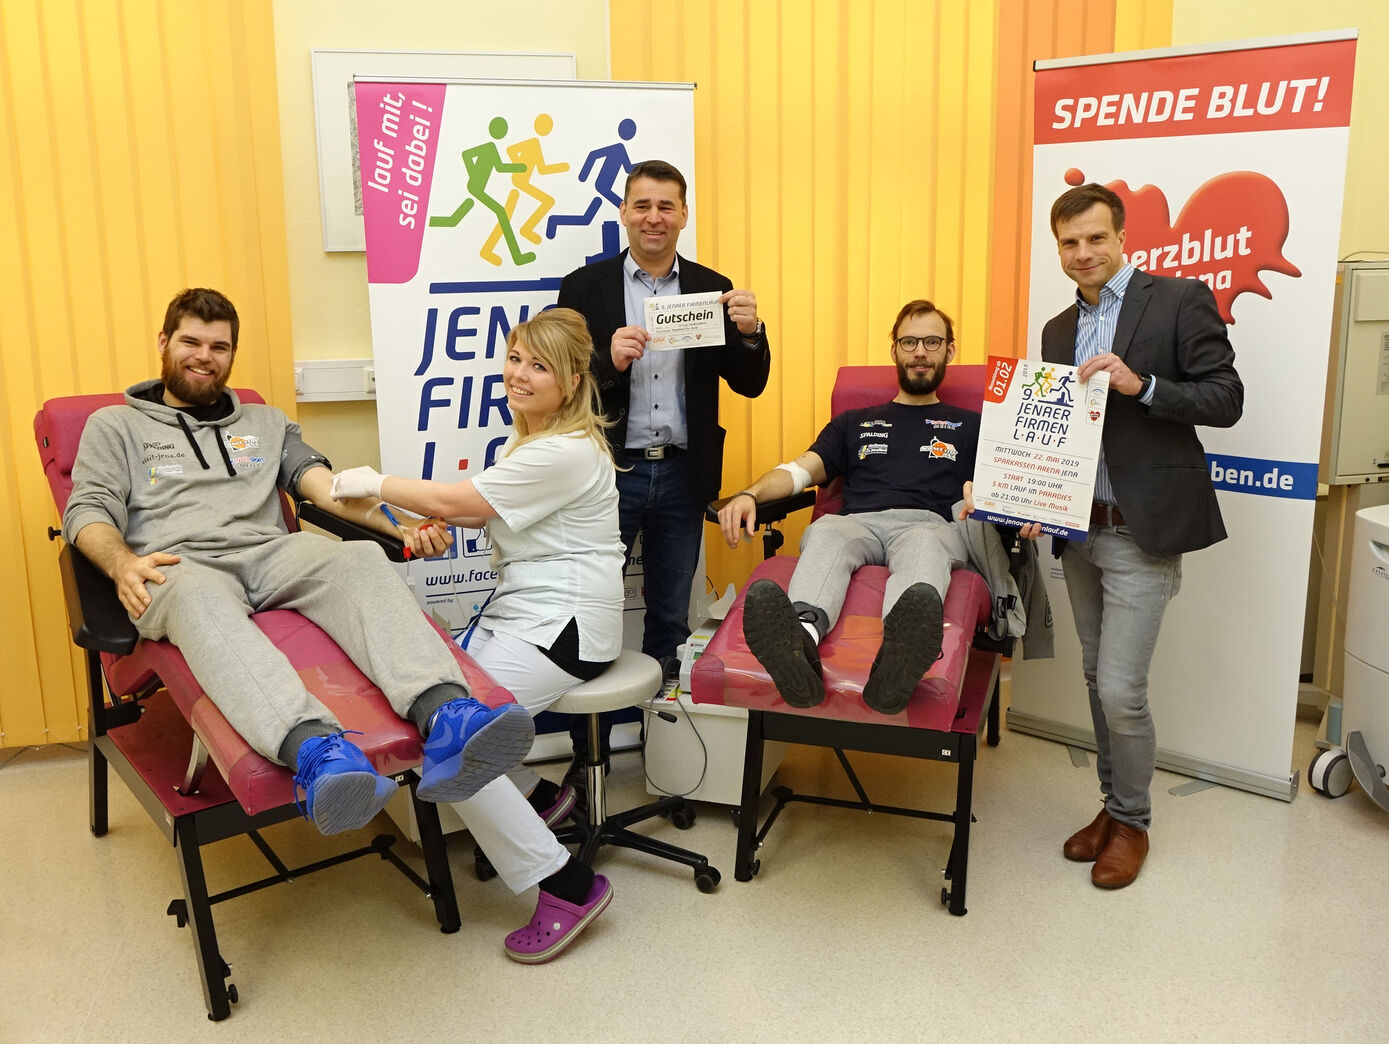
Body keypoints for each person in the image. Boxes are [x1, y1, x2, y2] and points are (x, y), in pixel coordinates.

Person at [63, 289, 599, 964]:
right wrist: (122, 564)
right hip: (182, 564)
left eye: (219, 346)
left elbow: (321, 486)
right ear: (163, 342)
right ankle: (318, 752)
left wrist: (391, 531)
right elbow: (88, 509)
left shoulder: (264, 421)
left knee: (352, 560)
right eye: (191, 341)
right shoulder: (115, 427)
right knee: (196, 596)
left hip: (270, 552)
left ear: (233, 354)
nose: (204, 357)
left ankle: (447, 712)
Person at [331, 308, 624, 962]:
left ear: (573, 381)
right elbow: (473, 515)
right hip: (528, 612)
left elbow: (461, 502)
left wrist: (376, 483)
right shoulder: (528, 444)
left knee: (455, 743)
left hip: (564, 626)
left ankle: (566, 884)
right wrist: (424, 526)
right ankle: (543, 797)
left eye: (538, 366)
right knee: (439, 708)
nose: (519, 374)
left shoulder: (563, 451)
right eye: (515, 357)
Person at [1041, 183, 1243, 890]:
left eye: (1095, 238)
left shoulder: (1178, 299)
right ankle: (1111, 806)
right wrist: (1031, 489)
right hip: (1080, 533)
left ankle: (1132, 821)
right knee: (1098, 682)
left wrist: (1143, 384)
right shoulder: (1056, 331)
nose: (1083, 253)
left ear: (1120, 237)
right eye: (1069, 242)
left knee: (1122, 690)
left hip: (1141, 531)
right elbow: (1057, 434)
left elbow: (1225, 398)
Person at [555, 158, 772, 778]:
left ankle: (666, 757)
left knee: (670, 617)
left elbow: (749, 382)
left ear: (684, 214)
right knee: (593, 610)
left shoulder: (711, 285)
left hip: (682, 472)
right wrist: (606, 361)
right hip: (609, 475)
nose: (654, 218)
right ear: (624, 213)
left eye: (666, 206)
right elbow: (556, 384)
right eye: (642, 205)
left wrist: (752, 332)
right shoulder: (584, 289)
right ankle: (587, 758)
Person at [720, 299, 1035, 714]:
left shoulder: (973, 426)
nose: (920, 351)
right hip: (857, 524)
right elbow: (798, 471)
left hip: (931, 524)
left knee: (924, 543)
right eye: (909, 341)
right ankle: (799, 647)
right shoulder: (854, 422)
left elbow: (1008, 488)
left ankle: (896, 660)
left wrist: (1012, 506)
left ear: (949, 351)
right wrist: (749, 494)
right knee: (829, 531)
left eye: (932, 341)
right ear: (894, 350)